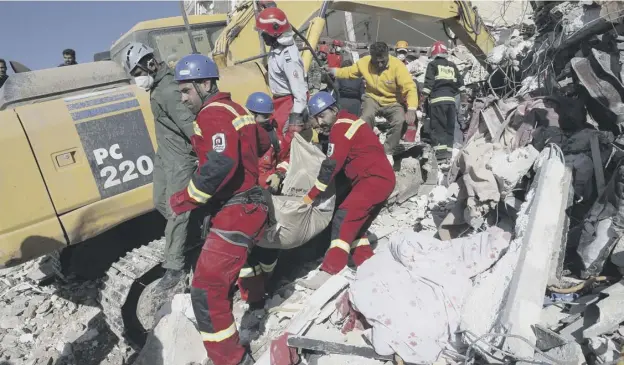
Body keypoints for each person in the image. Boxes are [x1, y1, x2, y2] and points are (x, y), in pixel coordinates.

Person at [170, 54, 270, 365]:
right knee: (240, 265)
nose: (183, 99)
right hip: (252, 203)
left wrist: (184, 199)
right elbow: (264, 143)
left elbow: (220, 162)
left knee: (206, 289)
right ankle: (256, 303)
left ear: (205, 83)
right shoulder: (236, 109)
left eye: (186, 91)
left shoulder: (211, 114)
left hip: (239, 208)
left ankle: (231, 360)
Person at [299, 92, 395, 289]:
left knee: (344, 219)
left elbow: (331, 165)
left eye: (322, 116)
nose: (320, 122)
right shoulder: (350, 121)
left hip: (372, 181)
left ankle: (330, 271)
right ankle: (368, 264)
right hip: (380, 180)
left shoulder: (340, 127)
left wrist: (311, 196)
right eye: (316, 118)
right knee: (356, 226)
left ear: (333, 110)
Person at [123, 42, 198, 294]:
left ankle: (175, 266)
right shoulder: (157, 88)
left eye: (137, 74)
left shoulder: (168, 90)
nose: (138, 80)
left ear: (150, 64)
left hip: (179, 158)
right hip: (164, 155)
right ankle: (193, 231)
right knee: (160, 201)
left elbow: (190, 126)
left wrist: (204, 154)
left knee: (177, 208)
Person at [329, 41, 418, 165]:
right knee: (366, 117)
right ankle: (364, 147)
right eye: (377, 61)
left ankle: (387, 151)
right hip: (372, 98)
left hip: (393, 101)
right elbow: (349, 71)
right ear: (371, 57)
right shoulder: (364, 63)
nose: (380, 64)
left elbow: (410, 88)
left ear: (388, 55)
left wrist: (412, 109)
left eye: (383, 61)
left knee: (399, 120)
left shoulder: (398, 66)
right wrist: (333, 71)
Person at [256, 7, 308, 133]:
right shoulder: (276, 48)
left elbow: (300, 92)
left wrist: (295, 118)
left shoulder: (289, 57)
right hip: (279, 102)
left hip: (289, 103)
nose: (262, 36)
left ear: (275, 32)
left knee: (283, 141)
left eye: (264, 32)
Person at [421, 41, 465, 164]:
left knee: (439, 127)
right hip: (451, 102)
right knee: (449, 127)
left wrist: (423, 98)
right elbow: (460, 83)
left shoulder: (432, 65)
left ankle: (440, 156)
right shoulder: (452, 65)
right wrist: (463, 97)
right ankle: (448, 154)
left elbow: (428, 83)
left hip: (437, 101)